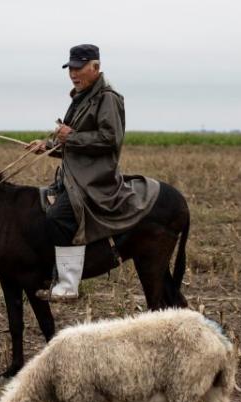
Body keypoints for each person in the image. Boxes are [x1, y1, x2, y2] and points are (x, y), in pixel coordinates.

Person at [27, 44, 159, 302]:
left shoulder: (108, 98)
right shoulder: (82, 97)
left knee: (57, 217)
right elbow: (73, 144)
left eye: (79, 68)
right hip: (72, 177)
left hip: (93, 181)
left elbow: (110, 140)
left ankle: (67, 286)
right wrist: (47, 146)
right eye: (71, 68)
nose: (73, 74)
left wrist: (71, 136)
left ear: (95, 68)